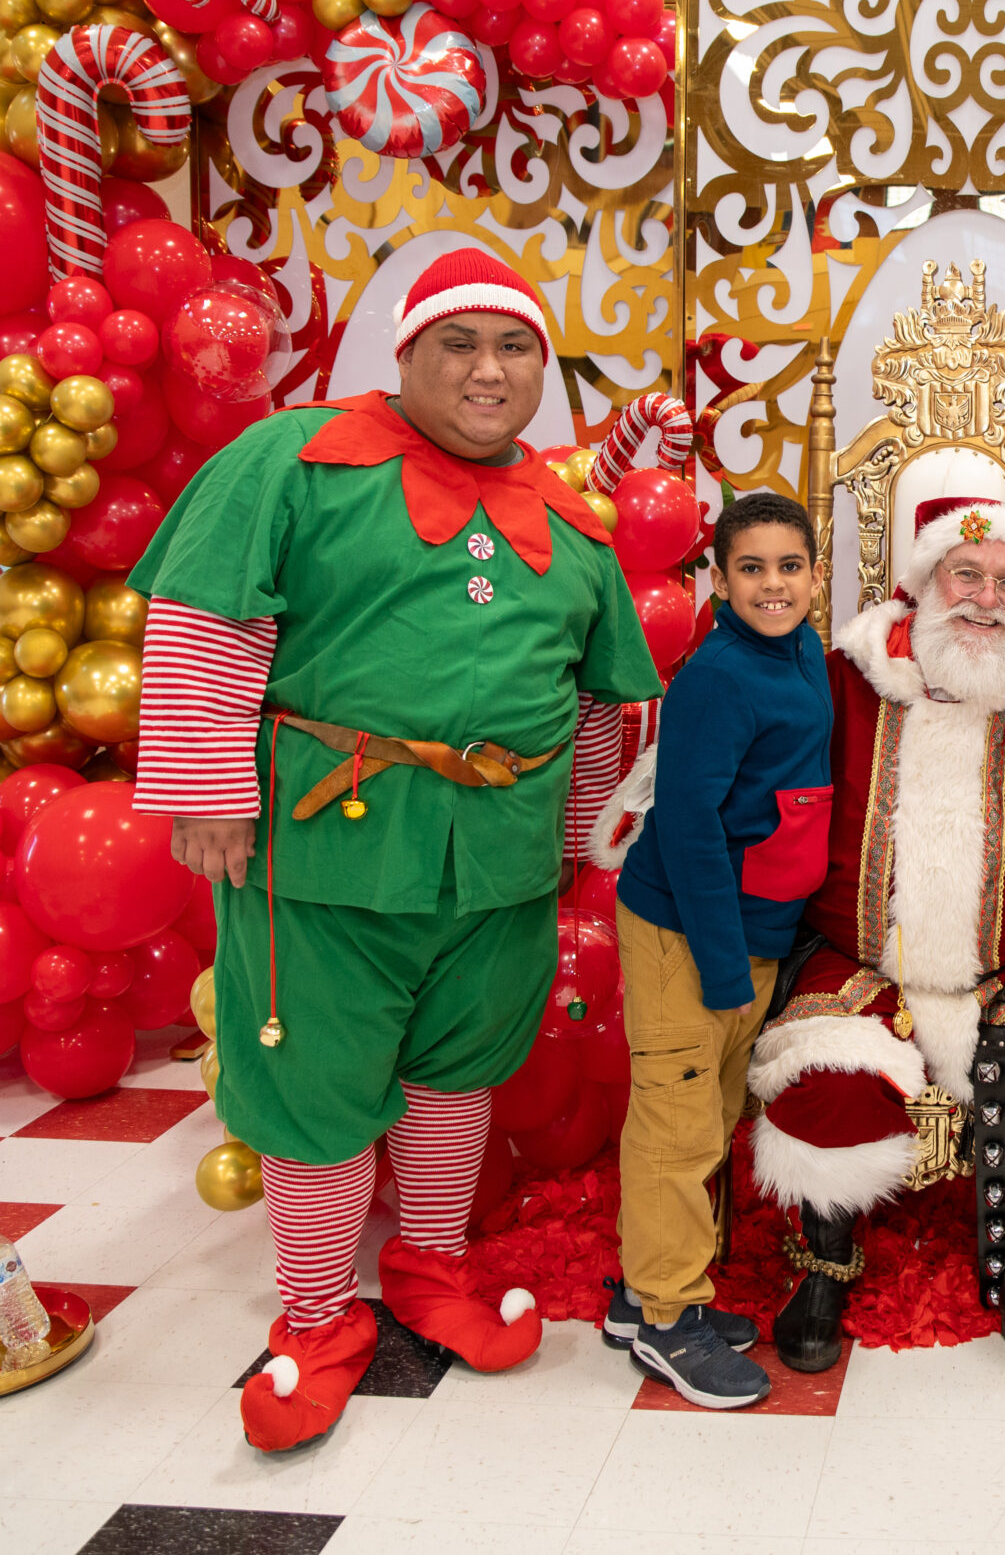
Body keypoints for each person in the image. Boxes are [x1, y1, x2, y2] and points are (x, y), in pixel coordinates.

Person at [131, 248, 662, 1449]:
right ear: (407, 351)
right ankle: (317, 1315)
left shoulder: (570, 517)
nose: (488, 369)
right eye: (458, 343)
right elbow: (206, 616)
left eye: (514, 346)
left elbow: (602, 700)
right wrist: (207, 787)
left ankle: (429, 1263)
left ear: (542, 369)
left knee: (457, 1065)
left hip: (499, 858)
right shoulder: (292, 458)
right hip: (328, 844)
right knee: (315, 1077)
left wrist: (578, 831)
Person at [736, 496, 1005, 1394]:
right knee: (823, 1080)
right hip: (862, 962)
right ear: (923, 580)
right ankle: (824, 1267)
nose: (986, 599)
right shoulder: (840, 680)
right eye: (966, 574)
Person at [595, 491, 831, 1410]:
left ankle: (641, 1292)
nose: (773, 584)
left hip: (753, 928)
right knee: (677, 1122)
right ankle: (666, 1319)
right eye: (751, 568)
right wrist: (725, 966)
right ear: (720, 580)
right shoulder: (717, 676)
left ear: (815, 574)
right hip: (690, 930)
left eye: (789, 566)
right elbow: (690, 825)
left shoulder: (804, 650)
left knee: (709, 1107)